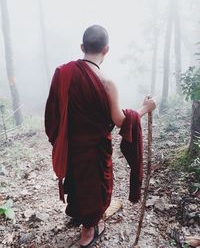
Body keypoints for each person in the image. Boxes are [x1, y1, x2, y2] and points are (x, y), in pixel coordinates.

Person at [45, 25, 156, 247]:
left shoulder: (63, 73)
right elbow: (120, 120)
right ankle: (88, 232)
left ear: (82, 47)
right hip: (95, 149)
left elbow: (53, 112)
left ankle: (79, 213)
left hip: (71, 147)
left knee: (77, 182)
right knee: (95, 189)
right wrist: (144, 109)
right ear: (106, 50)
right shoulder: (107, 83)